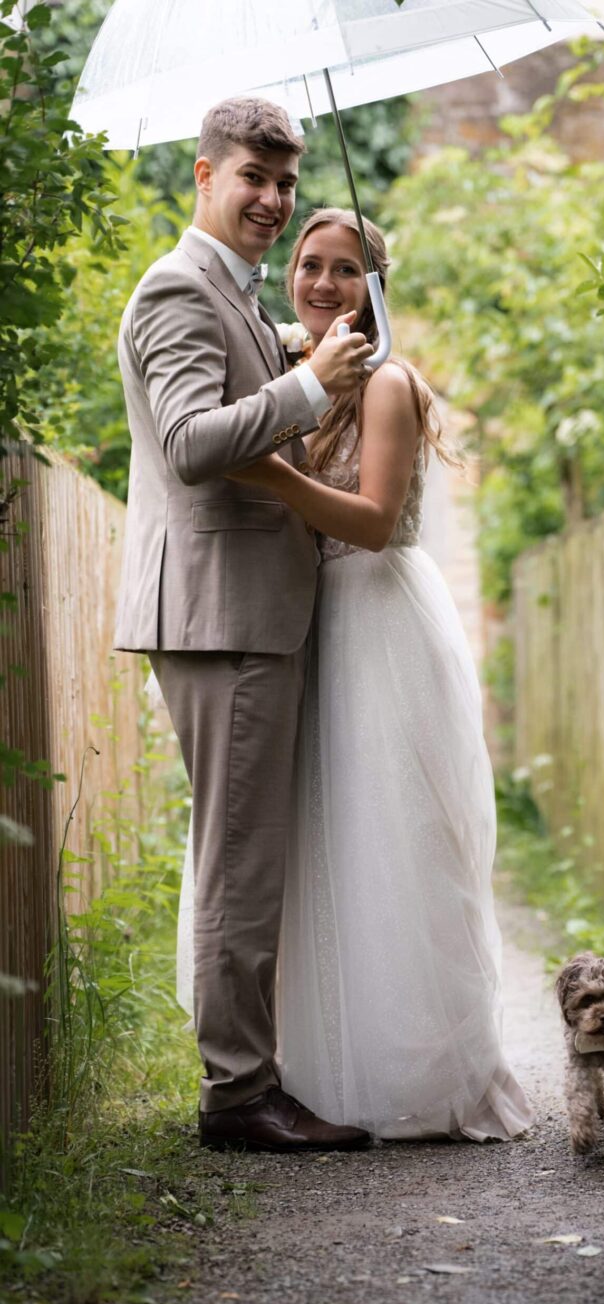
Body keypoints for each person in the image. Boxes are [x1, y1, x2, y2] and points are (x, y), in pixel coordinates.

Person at [200, 207, 533, 1140]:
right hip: (316, 625)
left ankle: (425, 1075)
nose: (321, 285)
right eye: (309, 266)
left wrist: (270, 477)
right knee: (335, 844)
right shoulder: (303, 376)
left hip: (380, 619)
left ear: (374, 285)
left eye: (346, 270)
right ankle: (340, 1071)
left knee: (401, 837)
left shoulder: (385, 384)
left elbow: (375, 519)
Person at [114, 98, 374, 1153]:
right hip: (221, 611)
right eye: (251, 179)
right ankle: (238, 1097)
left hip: (250, 609)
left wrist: (302, 348)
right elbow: (187, 441)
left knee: (247, 855)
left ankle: (248, 1080)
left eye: (284, 183)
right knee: (239, 860)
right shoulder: (178, 287)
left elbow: (241, 379)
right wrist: (308, 385)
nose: (270, 200)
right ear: (203, 175)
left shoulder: (233, 289)